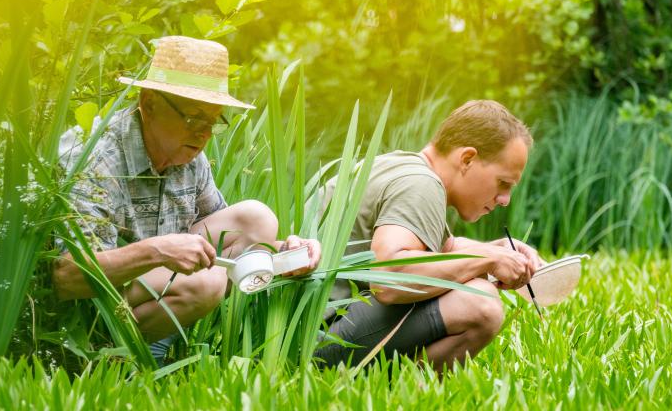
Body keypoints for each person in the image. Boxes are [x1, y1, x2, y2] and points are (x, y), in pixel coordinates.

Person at [54, 36, 321, 365]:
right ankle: (104, 360)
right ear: (149, 103)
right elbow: (66, 278)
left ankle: (147, 351)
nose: (204, 134)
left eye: (213, 121)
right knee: (207, 283)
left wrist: (283, 257)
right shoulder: (97, 157)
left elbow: (226, 247)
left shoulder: (188, 156)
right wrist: (158, 250)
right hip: (86, 309)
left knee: (257, 219)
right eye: (194, 118)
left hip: (140, 288)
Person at [314, 100, 544, 373]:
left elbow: (444, 250)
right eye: (503, 183)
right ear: (467, 159)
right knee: (481, 303)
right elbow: (390, 276)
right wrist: (485, 258)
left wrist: (500, 251)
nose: (505, 199)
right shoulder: (421, 184)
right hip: (314, 344)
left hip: (307, 330)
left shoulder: (402, 166)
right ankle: (406, 394)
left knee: (470, 282)